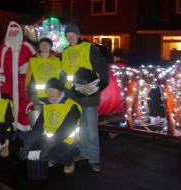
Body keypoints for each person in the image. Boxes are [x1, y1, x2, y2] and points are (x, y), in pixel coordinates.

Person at [62, 24, 109, 172]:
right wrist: (65, 92)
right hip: (74, 95)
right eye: (67, 36)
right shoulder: (65, 51)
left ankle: (94, 159)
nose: (70, 38)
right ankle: (83, 153)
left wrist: (100, 86)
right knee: (80, 127)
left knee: (91, 128)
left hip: (89, 94)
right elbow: (63, 74)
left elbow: (102, 67)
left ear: (78, 35)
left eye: (72, 35)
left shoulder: (89, 48)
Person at [22, 78, 82, 174]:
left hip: (67, 140)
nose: (50, 93)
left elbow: (65, 131)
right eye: (48, 90)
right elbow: (38, 127)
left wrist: (48, 146)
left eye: (53, 89)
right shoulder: (47, 106)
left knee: (56, 151)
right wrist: (27, 145)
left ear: (60, 90)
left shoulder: (71, 106)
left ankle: (69, 162)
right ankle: (51, 156)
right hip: (50, 138)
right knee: (33, 146)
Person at [0, 21, 36, 140]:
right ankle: (10, 133)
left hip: (23, 85)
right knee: (8, 108)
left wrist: (29, 65)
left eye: (16, 32)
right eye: (11, 32)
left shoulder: (27, 47)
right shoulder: (3, 49)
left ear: (20, 33)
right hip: (7, 86)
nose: (13, 34)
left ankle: (24, 133)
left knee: (24, 106)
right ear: (8, 33)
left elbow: (38, 60)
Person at [25, 37, 62, 111]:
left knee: (53, 114)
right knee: (38, 115)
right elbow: (29, 76)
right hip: (37, 94)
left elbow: (61, 75)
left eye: (46, 44)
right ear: (39, 47)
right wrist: (29, 90)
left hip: (54, 94)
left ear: (50, 46)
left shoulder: (58, 59)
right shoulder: (33, 59)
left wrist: (61, 90)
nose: (44, 46)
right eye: (42, 44)